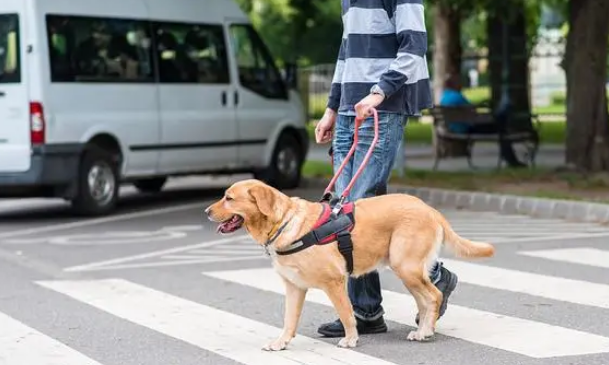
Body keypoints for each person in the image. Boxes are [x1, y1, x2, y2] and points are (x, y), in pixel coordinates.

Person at [314, 0, 459, 338]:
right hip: (350, 107)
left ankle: (435, 278)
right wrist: (332, 108)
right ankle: (365, 312)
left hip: (382, 107)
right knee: (344, 211)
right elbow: (345, 53)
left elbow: (414, 47)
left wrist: (379, 93)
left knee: (359, 208)